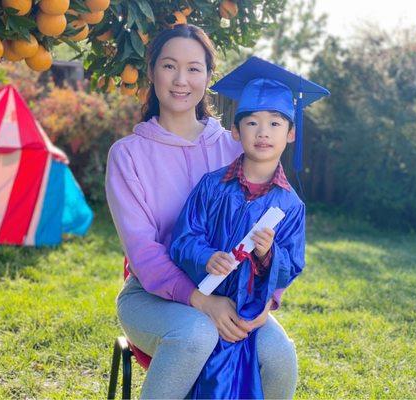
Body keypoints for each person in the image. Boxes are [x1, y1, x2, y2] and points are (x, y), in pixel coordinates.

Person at [105, 26, 300, 399]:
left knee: (278, 354)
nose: (181, 80)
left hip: (233, 292)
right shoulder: (128, 155)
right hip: (153, 296)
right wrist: (201, 302)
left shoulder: (234, 147)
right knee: (197, 333)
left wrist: (266, 302)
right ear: (152, 72)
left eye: (194, 68)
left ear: (209, 76)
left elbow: (277, 229)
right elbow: (143, 253)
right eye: (169, 66)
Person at [169, 56, 330, 398]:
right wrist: (206, 256)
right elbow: (183, 239)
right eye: (252, 123)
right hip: (201, 301)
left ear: (290, 134)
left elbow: (292, 267)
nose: (262, 132)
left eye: (275, 123)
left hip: (248, 312)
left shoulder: (290, 207)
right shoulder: (211, 186)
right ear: (235, 132)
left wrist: (269, 254)